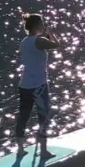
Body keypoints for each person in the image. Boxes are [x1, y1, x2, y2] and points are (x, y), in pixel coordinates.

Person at [16, 12, 62, 158]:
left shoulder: (24, 41)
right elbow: (56, 45)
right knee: (44, 116)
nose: (44, 26)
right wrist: (51, 33)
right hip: (39, 85)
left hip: (24, 84)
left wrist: (45, 35)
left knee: (23, 116)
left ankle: (20, 149)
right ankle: (43, 151)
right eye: (42, 23)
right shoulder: (39, 40)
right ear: (37, 25)